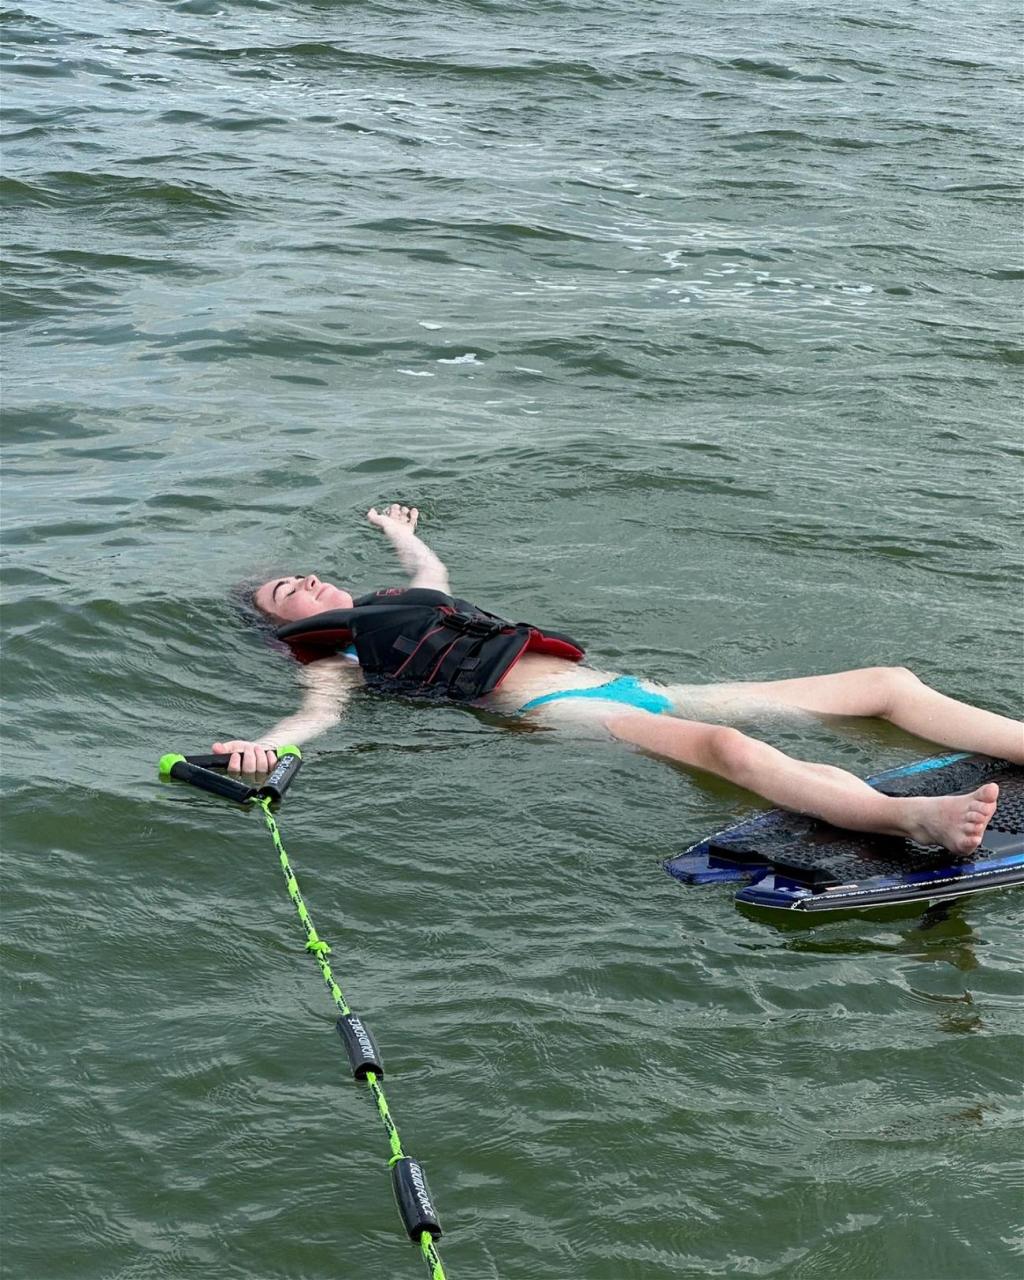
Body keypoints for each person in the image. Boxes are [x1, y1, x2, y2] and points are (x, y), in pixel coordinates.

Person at [215, 504, 1023, 856]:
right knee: (723, 748)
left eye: (312, 577)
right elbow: (313, 716)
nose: (312, 586)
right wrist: (262, 749)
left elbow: (432, 569)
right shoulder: (337, 657)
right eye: (290, 594)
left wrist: (398, 534)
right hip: (563, 712)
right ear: (288, 628)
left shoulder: (408, 602)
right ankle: (912, 820)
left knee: (885, 680)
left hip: (639, 686)